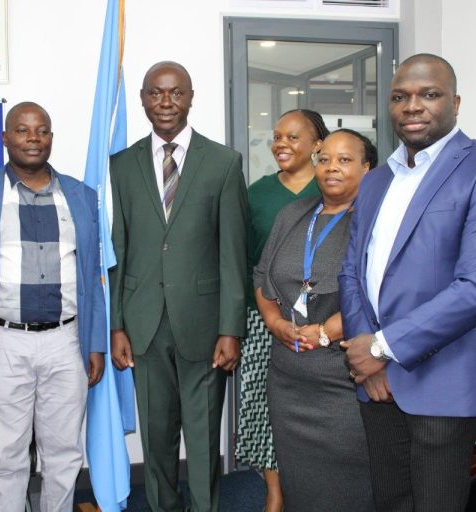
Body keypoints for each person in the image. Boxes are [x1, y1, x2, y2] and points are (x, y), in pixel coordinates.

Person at [339, 53, 476, 512]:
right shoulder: (376, 180)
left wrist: (381, 347)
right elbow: (352, 271)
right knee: (391, 501)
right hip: (376, 379)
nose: (412, 106)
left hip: (445, 376)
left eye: (429, 94)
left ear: (455, 103)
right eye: (400, 97)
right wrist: (368, 354)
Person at [109, 61, 247, 512]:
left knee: (203, 438)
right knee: (156, 437)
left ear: (190, 97)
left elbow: (233, 252)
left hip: (205, 326)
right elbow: (118, 249)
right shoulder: (121, 165)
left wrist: (231, 328)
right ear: (143, 99)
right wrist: (116, 325)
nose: (165, 102)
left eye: (175, 92)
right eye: (155, 92)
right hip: (143, 324)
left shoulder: (223, 162)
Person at [0, 102, 105, 512]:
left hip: (67, 341)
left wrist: (94, 342)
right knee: (7, 455)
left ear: (51, 138)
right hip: (2, 342)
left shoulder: (81, 196)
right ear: (5, 138)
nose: (33, 138)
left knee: (64, 453)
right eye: (22, 130)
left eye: (41, 130)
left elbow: (93, 275)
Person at [254, 129, 376, 511]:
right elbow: (261, 276)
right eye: (324, 159)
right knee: (299, 482)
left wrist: (325, 331)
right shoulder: (294, 214)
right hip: (288, 379)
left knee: (347, 487)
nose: (331, 168)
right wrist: (275, 323)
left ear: (367, 168)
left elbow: (378, 292)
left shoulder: (374, 220)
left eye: (344, 160)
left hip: (342, 378)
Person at [236, 108, 328, 512]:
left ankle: (314, 488)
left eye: (292, 137)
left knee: (318, 406)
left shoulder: (332, 187)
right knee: (264, 403)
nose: (281, 144)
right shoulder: (257, 194)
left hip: (324, 320)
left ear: (317, 144)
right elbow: (244, 259)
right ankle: (274, 491)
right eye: (277, 137)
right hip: (264, 318)